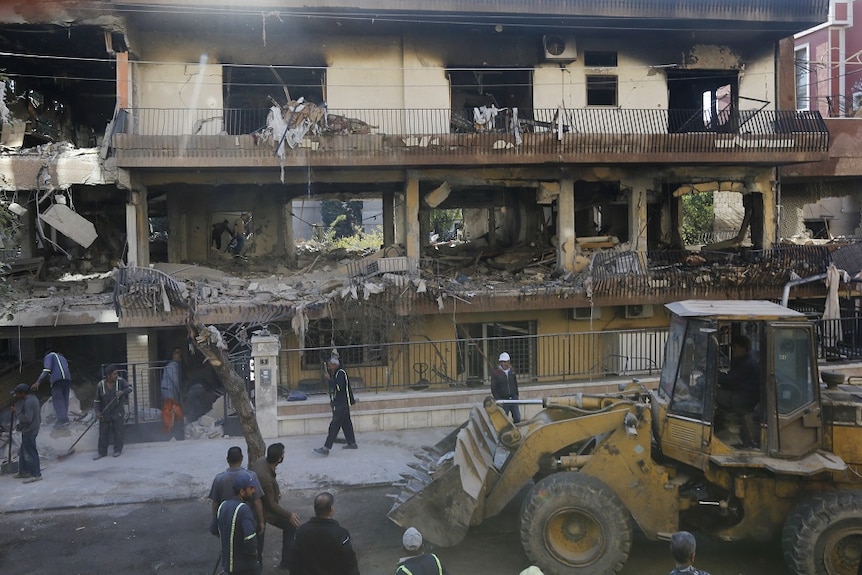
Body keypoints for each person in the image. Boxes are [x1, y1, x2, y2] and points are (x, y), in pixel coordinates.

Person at [250, 442, 300, 571]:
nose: (284, 456)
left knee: (259, 543)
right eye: (283, 454)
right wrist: (289, 515)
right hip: (261, 511)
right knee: (288, 525)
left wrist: (276, 490)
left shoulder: (262, 461)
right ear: (279, 459)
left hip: (258, 503)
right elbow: (271, 505)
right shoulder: (265, 478)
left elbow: (273, 480)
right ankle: (284, 563)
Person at [289, 491, 359, 575]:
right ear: (331, 510)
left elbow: (294, 560)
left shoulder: (301, 531)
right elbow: (350, 562)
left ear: (315, 509)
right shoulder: (340, 533)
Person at [209, 446, 266, 538]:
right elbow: (257, 501)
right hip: (247, 519)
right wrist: (261, 522)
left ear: (227, 460)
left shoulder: (219, 479)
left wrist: (216, 522)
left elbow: (215, 504)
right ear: (242, 459)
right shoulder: (250, 476)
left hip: (227, 520)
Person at [212, 471, 261, 575]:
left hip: (228, 565)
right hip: (245, 567)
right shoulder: (244, 509)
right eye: (251, 488)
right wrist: (253, 552)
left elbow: (214, 529)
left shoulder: (223, 506)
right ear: (242, 491)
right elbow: (250, 538)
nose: (254, 491)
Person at [313, 357, 357, 455]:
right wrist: (334, 400)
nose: (329, 367)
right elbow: (338, 391)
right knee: (346, 424)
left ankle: (326, 448)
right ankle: (352, 443)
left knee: (335, 425)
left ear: (335, 365)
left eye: (330, 365)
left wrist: (329, 379)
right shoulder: (338, 372)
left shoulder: (341, 373)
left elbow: (338, 387)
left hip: (342, 404)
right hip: (342, 402)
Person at [93, 365, 132, 460]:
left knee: (118, 431)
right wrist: (97, 412)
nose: (116, 375)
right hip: (104, 412)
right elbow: (97, 401)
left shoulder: (121, 381)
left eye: (116, 373)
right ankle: (102, 452)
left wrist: (122, 392)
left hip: (117, 411)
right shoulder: (100, 385)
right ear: (108, 375)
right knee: (103, 433)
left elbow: (130, 388)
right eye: (114, 374)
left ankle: (117, 450)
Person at [716, 335, 760, 412]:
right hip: (744, 394)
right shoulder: (744, 360)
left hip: (744, 397)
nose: (733, 350)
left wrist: (716, 376)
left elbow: (732, 380)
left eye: (735, 347)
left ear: (743, 348)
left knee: (713, 394)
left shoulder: (747, 363)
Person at [32, 350, 71, 428]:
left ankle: (62, 420)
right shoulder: (63, 358)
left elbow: (47, 369)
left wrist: (38, 381)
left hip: (57, 380)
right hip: (67, 379)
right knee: (64, 399)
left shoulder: (49, 356)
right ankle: (65, 419)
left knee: (57, 399)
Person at [11, 383, 42, 483]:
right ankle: (23, 471)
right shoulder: (32, 399)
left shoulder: (29, 402)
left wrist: (17, 412)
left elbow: (28, 419)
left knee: (30, 453)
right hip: (31, 428)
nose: (16, 395)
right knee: (23, 451)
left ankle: (36, 475)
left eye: (17, 393)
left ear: (23, 393)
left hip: (30, 430)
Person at [160, 347, 184, 439]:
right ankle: (168, 432)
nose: (179, 355)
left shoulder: (174, 365)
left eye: (179, 353)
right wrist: (179, 390)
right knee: (169, 411)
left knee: (171, 411)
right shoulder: (172, 365)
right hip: (168, 391)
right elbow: (175, 379)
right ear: (172, 355)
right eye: (176, 353)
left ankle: (171, 431)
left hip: (169, 390)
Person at [491, 352, 521, 423]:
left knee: (517, 418)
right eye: (501, 362)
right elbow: (493, 388)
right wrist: (498, 399)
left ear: (508, 362)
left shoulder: (512, 371)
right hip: (503, 400)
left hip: (513, 398)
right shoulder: (496, 373)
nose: (503, 364)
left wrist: (516, 395)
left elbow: (515, 383)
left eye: (505, 362)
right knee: (504, 420)